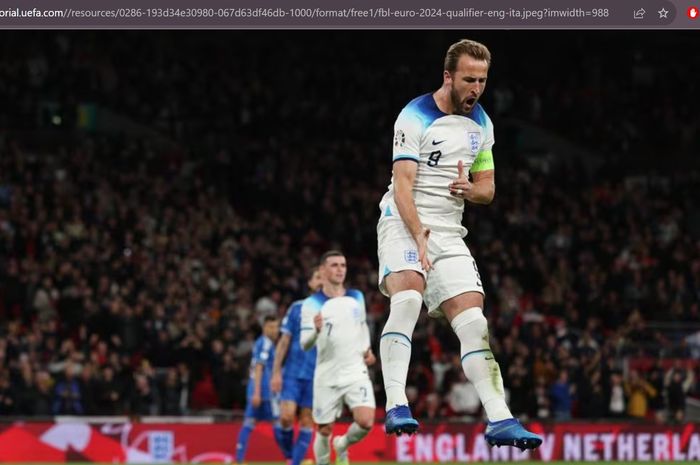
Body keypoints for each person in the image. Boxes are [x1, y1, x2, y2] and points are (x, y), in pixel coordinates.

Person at [376, 38, 542, 450]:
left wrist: (470, 189)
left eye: (482, 80)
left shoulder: (482, 125)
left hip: (449, 232)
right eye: (469, 79)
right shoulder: (414, 116)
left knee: (475, 323)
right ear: (447, 76)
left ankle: (500, 418)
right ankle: (396, 403)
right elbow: (402, 187)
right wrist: (417, 235)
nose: (476, 88)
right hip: (404, 221)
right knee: (409, 298)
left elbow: (488, 190)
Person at [300, 251, 376, 465]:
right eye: (334, 265)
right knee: (324, 429)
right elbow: (304, 344)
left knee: (366, 421)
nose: (340, 269)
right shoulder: (312, 304)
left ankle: (342, 445)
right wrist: (315, 331)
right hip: (327, 374)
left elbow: (362, 326)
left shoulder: (356, 296)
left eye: (343, 265)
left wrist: (366, 349)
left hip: (355, 370)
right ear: (322, 270)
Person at [271, 267, 324, 465]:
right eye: (317, 277)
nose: (321, 281)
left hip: (316, 374)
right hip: (293, 372)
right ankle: (290, 457)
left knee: (307, 420)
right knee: (285, 417)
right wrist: (276, 372)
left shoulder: (333, 309)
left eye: (323, 278)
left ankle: (293, 462)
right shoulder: (297, 308)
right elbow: (284, 342)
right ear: (310, 283)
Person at [235, 315, 287, 464]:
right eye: (271, 327)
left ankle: (239, 459)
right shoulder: (265, 343)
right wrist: (257, 392)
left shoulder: (264, 343)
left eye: (276, 326)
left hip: (260, 391)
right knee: (277, 424)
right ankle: (290, 458)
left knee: (249, 423)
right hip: (265, 393)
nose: (274, 330)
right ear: (264, 328)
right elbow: (259, 367)